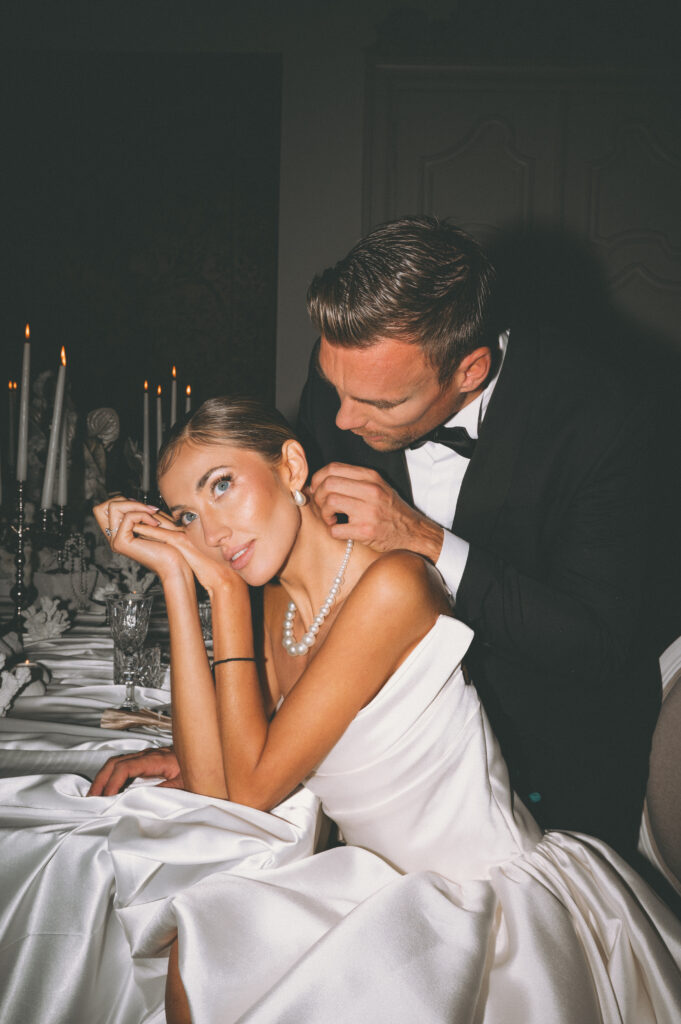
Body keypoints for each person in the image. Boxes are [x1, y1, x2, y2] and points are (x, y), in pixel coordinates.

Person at [88, 396, 681, 1024]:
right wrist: (178, 583)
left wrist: (223, 591)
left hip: (484, 903)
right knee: (200, 941)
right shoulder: (274, 610)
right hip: (382, 893)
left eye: (223, 486)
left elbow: (253, 789)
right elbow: (221, 799)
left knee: (210, 950)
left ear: (291, 466)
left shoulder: (395, 584)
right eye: (186, 517)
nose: (211, 534)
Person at [296, 214, 670, 858]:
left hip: (547, 769)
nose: (341, 420)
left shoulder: (606, 418)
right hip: (369, 750)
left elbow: (599, 644)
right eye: (334, 389)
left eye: (381, 407)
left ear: (468, 371)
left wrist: (424, 539)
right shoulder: (355, 368)